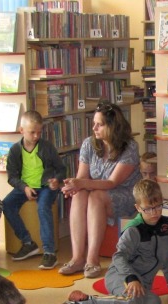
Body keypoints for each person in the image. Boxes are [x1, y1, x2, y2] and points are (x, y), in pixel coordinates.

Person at [60, 179, 168, 304]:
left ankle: (87, 299)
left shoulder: (166, 225)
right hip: (121, 276)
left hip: (143, 282)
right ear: (138, 208)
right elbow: (119, 257)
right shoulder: (134, 230)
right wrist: (131, 278)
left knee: (154, 303)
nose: (154, 213)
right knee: (132, 303)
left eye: (158, 207)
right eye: (148, 209)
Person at [59, 102, 141, 278]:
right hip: (97, 191)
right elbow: (82, 178)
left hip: (125, 194)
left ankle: (92, 259)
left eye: (100, 124)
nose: (94, 128)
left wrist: (81, 183)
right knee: (79, 194)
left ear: (113, 126)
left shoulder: (129, 147)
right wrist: (73, 185)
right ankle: (77, 258)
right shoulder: (89, 144)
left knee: (95, 196)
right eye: (94, 123)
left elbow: (112, 182)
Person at [1, 110, 66, 270]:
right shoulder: (15, 150)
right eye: (32, 132)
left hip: (46, 187)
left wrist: (56, 180)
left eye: (39, 132)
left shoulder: (47, 147)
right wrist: (24, 187)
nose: (36, 136)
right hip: (25, 187)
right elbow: (12, 177)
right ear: (21, 130)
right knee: (7, 204)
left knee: (43, 207)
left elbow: (61, 169)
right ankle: (28, 242)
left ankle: (49, 252)